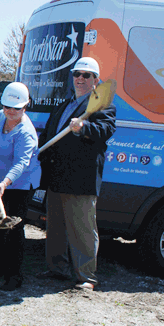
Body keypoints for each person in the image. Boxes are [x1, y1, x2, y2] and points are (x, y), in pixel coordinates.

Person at [37, 56, 117, 290]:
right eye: (76, 74)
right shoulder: (64, 105)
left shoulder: (102, 106)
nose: (80, 79)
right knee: (56, 228)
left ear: (95, 81)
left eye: (86, 75)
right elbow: (50, 135)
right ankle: (57, 269)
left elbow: (105, 130)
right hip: (57, 177)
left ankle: (86, 277)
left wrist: (84, 128)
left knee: (82, 230)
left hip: (80, 180)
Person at [0, 82, 41, 291]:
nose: (10, 112)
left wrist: (5, 182)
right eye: (7, 107)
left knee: (13, 228)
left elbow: (21, 163)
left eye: (16, 108)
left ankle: (15, 276)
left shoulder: (26, 132)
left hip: (20, 183)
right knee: (0, 226)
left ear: (26, 107)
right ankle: (2, 267)